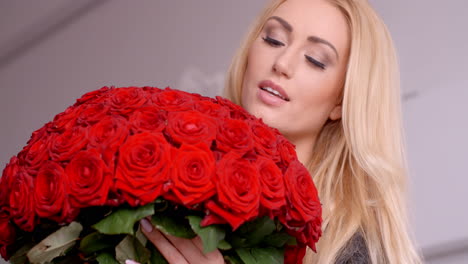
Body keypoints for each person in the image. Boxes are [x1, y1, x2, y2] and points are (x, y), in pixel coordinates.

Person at [133, 0, 423, 263]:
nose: (282, 64)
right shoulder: (181, 190)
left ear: (341, 101)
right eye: (273, 39)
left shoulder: (354, 248)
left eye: (315, 60)